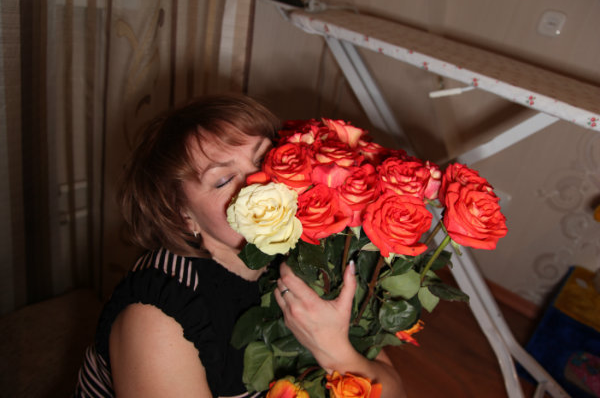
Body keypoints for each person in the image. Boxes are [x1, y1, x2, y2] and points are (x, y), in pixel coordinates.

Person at [75, 94, 405, 398]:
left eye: (262, 159)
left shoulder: (313, 251)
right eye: (223, 180)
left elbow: (394, 391)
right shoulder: (156, 319)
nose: (259, 183)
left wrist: (335, 350)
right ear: (183, 215)